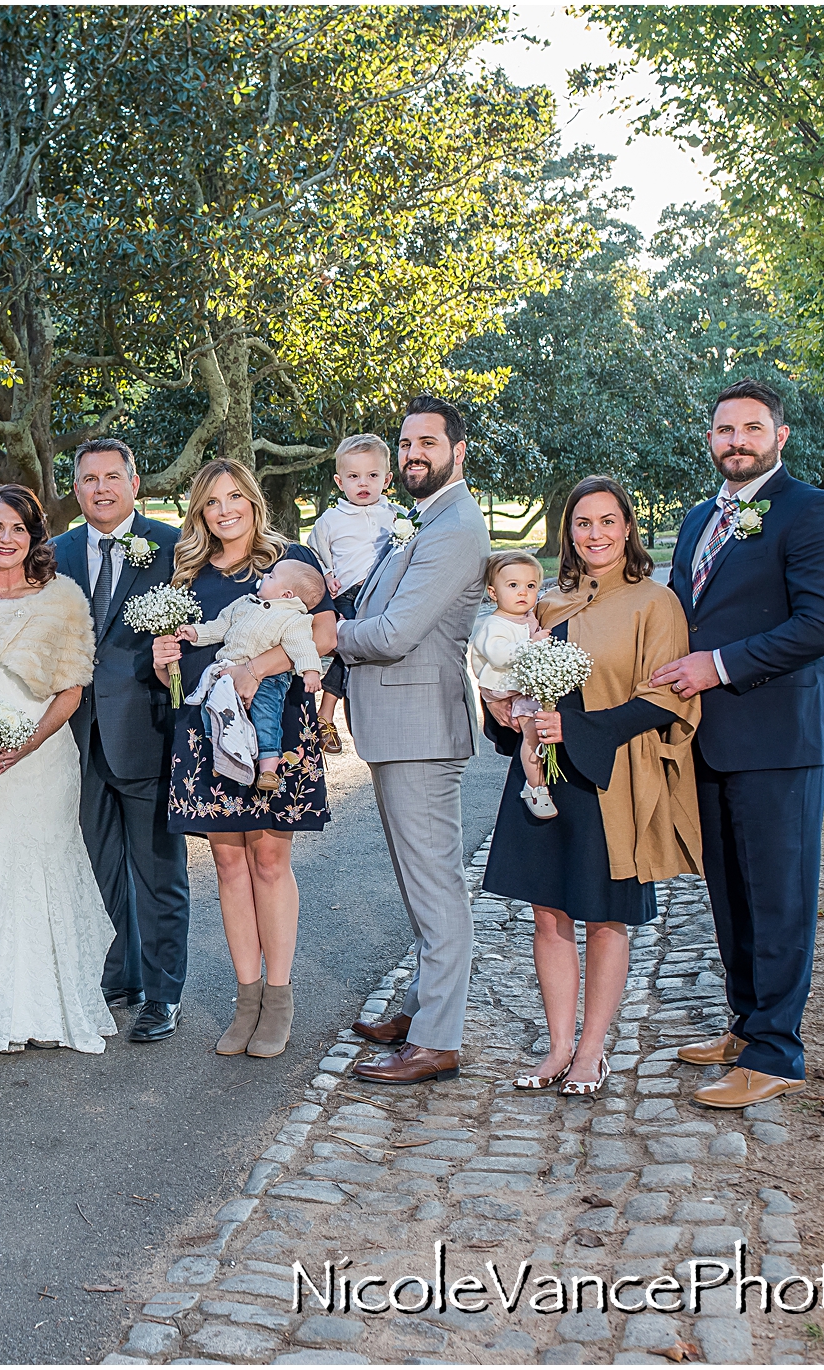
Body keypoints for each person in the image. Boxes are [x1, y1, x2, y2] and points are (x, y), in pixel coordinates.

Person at [653, 378, 824, 1109]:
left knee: (778, 895)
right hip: (709, 738)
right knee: (730, 894)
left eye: (751, 428)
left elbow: (823, 624)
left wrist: (720, 665)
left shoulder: (814, 511)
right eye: (724, 429)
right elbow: (681, 611)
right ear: (710, 438)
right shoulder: (699, 517)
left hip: (780, 738)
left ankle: (777, 1052)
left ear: (780, 436)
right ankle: (746, 1025)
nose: (736, 441)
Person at [481, 478, 703, 1095]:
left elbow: (663, 698)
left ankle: (591, 1052)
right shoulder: (544, 604)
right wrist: (502, 710)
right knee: (548, 915)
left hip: (608, 775)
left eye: (608, 522)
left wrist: (578, 727)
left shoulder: (654, 604)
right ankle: (557, 1047)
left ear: (628, 528)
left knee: (605, 918)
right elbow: (508, 673)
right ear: (568, 534)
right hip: (544, 772)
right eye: (583, 524)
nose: (596, 534)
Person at [0, 485, 116, 1062]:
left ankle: (47, 1005)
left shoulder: (63, 598)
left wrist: (23, 746)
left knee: (42, 866)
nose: (5, 539)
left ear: (34, 536)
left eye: (18, 528)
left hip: (44, 757)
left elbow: (73, 689)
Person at [154, 459, 338, 1059]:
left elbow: (327, 637)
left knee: (268, 860)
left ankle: (279, 1000)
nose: (224, 509)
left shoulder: (291, 561)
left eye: (234, 496)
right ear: (200, 513)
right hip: (210, 730)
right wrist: (165, 658)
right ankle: (247, 998)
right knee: (229, 867)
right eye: (211, 502)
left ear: (254, 501)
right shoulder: (188, 575)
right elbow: (185, 662)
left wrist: (256, 669)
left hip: (276, 726)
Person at [338, 395, 491, 1086]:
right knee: (419, 882)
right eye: (404, 444)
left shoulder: (457, 526)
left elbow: (396, 633)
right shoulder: (425, 519)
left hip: (423, 730)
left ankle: (437, 1041)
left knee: (436, 889)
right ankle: (420, 1012)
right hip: (401, 728)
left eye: (427, 443)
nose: (411, 455)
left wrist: (327, 636)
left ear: (458, 452)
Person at [50, 438, 190, 1041]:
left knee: (158, 872)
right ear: (76, 488)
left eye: (111, 477)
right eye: (88, 479)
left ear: (135, 483)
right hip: (76, 739)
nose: (100, 488)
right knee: (97, 868)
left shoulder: (171, 545)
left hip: (148, 732)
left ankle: (163, 995)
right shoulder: (54, 553)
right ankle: (117, 977)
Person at [175, 558, 328, 793]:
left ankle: (268, 768)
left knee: (265, 716)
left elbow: (302, 647)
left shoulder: (293, 619)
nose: (265, 575)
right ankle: (221, 755)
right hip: (227, 673)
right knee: (213, 711)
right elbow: (220, 627)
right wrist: (196, 633)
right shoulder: (245, 604)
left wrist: (310, 671)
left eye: (272, 576)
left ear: (287, 595)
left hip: (269, 680)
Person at [306, 433, 407, 754]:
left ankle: (328, 716)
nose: (363, 483)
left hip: (387, 594)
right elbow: (315, 554)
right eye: (353, 477)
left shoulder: (397, 516)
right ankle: (325, 715)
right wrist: (327, 575)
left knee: (378, 651)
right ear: (339, 481)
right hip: (349, 595)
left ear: (387, 479)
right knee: (351, 651)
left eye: (372, 476)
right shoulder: (331, 520)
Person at [469, 550, 555, 818]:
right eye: (513, 586)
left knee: (542, 727)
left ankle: (544, 775)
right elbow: (498, 654)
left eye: (530, 586)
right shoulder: (495, 623)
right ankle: (535, 786)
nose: (523, 593)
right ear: (493, 593)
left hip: (518, 683)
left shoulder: (526, 615)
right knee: (532, 730)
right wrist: (533, 643)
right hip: (503, 685)